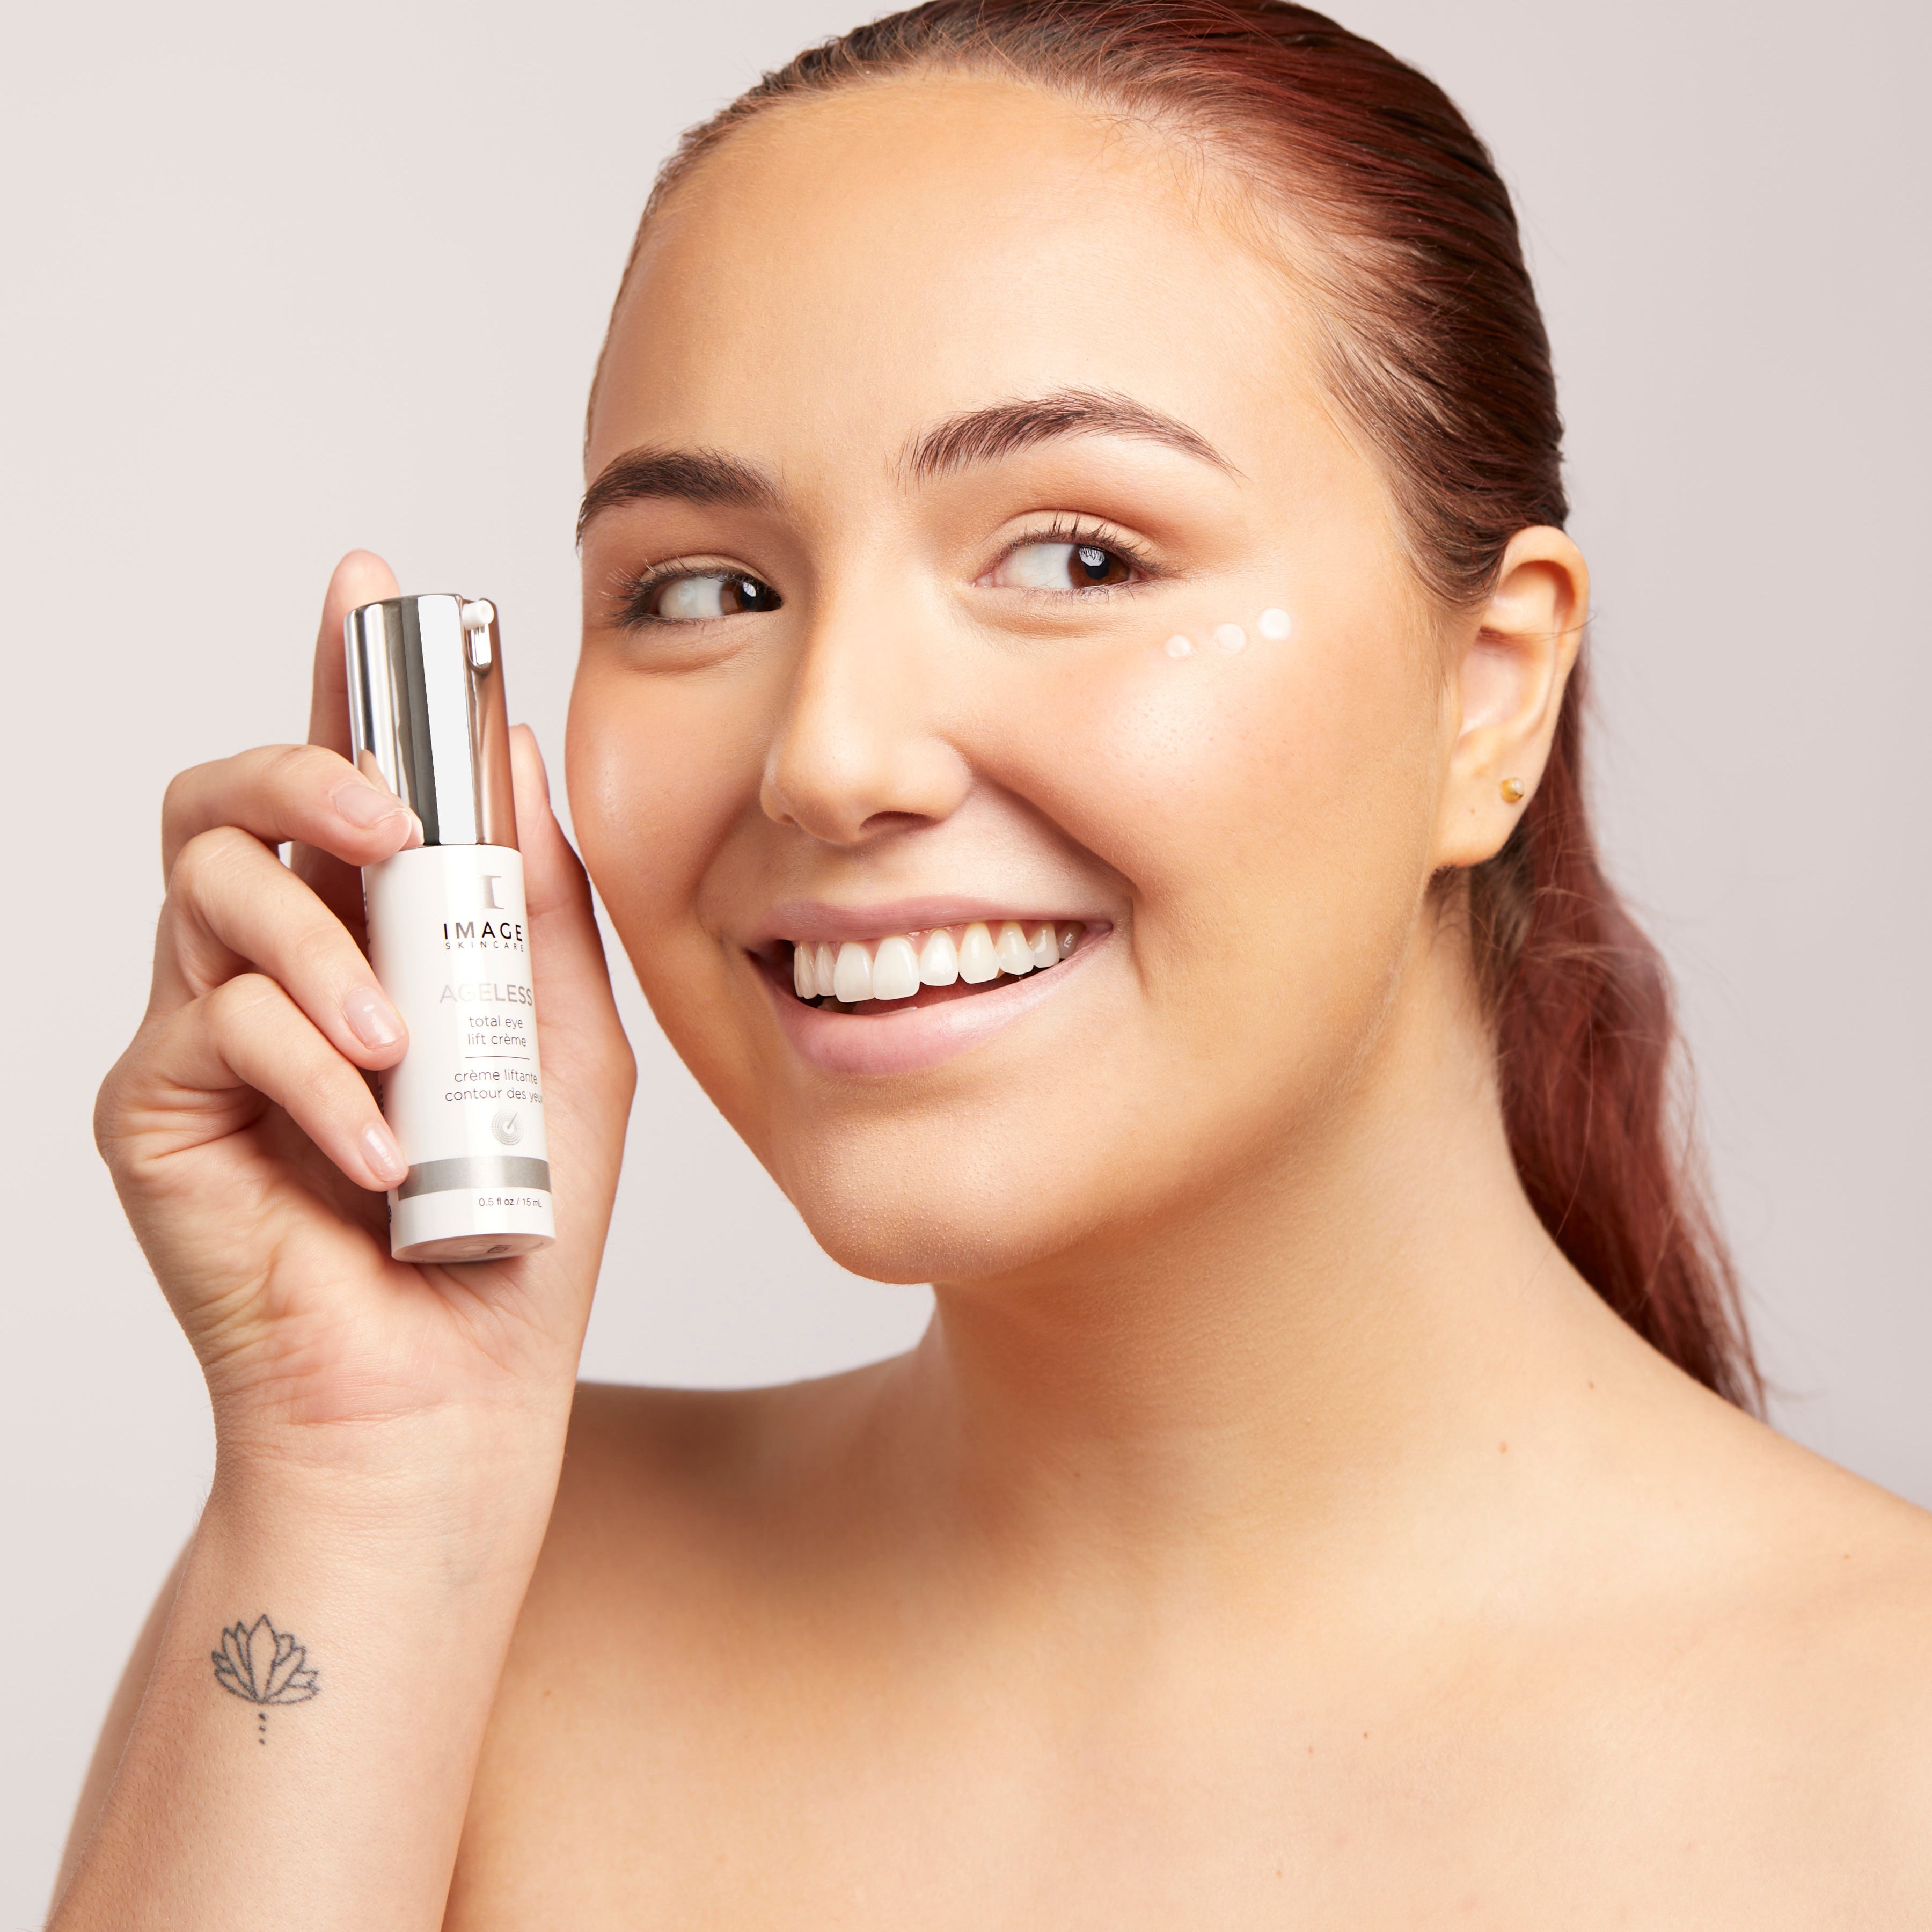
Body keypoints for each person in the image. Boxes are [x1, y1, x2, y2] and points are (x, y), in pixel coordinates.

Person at [52, 3, 1932, 1923]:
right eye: (706, 589)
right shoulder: (423, 1596)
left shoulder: (1887, 1758)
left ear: (1490, 693)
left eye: (1079, 558)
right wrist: (365, 1486)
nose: (832, 755)